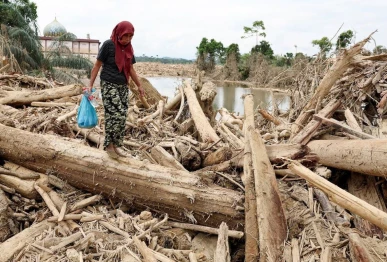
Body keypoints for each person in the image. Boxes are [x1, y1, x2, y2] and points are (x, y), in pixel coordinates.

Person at [88, 21, 145, 158]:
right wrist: (90, 86)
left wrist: (139, 85)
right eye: (125, 36)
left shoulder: (129, 48)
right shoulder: (108, 45)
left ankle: (115, 145)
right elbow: (97, 65)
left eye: (130, 36)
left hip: (123, 86)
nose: (127, 39)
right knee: (115, 114)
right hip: (108, 84)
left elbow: (131, 68)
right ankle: (108, 145)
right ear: (119, 33)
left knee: (122, 116)